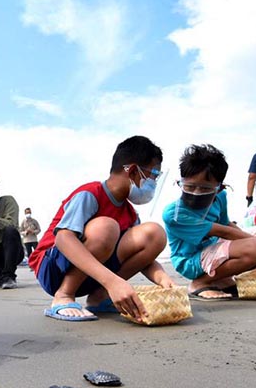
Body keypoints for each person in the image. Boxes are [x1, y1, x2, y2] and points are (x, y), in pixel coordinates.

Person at [29, 135, 175, 320]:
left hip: (93, 275)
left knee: (154, 234)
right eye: (153, 176)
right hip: (53, 269)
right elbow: (63, 238)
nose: (153, 183)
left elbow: (141, 257)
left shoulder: (130, 213)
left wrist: (162, 278)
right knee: (107, 227)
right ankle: (64, 295)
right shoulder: (90, 194)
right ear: (131, 171)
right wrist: (112, 281)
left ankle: (100, 296)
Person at [164, 144, 256, 300]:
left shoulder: (220, 197)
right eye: (189, 187)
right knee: (255, 248)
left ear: (219, 188)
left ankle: (222, 278)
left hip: (214, 245)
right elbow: (223, 232)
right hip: (191, 260)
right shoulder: (175, 214)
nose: (196, 193)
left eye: (205, 189)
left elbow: (227, 224)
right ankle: (200, 282)